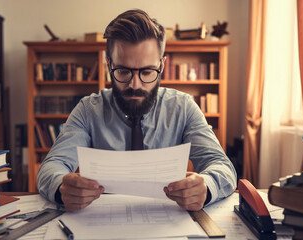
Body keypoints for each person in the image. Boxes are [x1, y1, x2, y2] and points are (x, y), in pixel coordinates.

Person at [37, 9, 237, 211]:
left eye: (147, 71)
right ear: (109, 64)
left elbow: (222, 166)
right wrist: (61, 187)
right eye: (123, 71)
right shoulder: (87, 110)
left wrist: (207, 187)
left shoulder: (183, 108)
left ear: (162, 65)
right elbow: (51, 166)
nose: (135, 85)